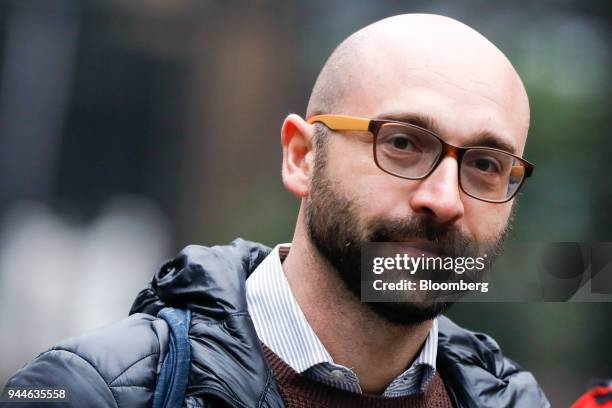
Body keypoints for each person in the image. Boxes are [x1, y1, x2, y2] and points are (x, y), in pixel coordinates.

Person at [3, 13, 550, 407]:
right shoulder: (89, 391)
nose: (444, 199)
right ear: (301, 156)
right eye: (403, 144)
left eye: (485, 164)